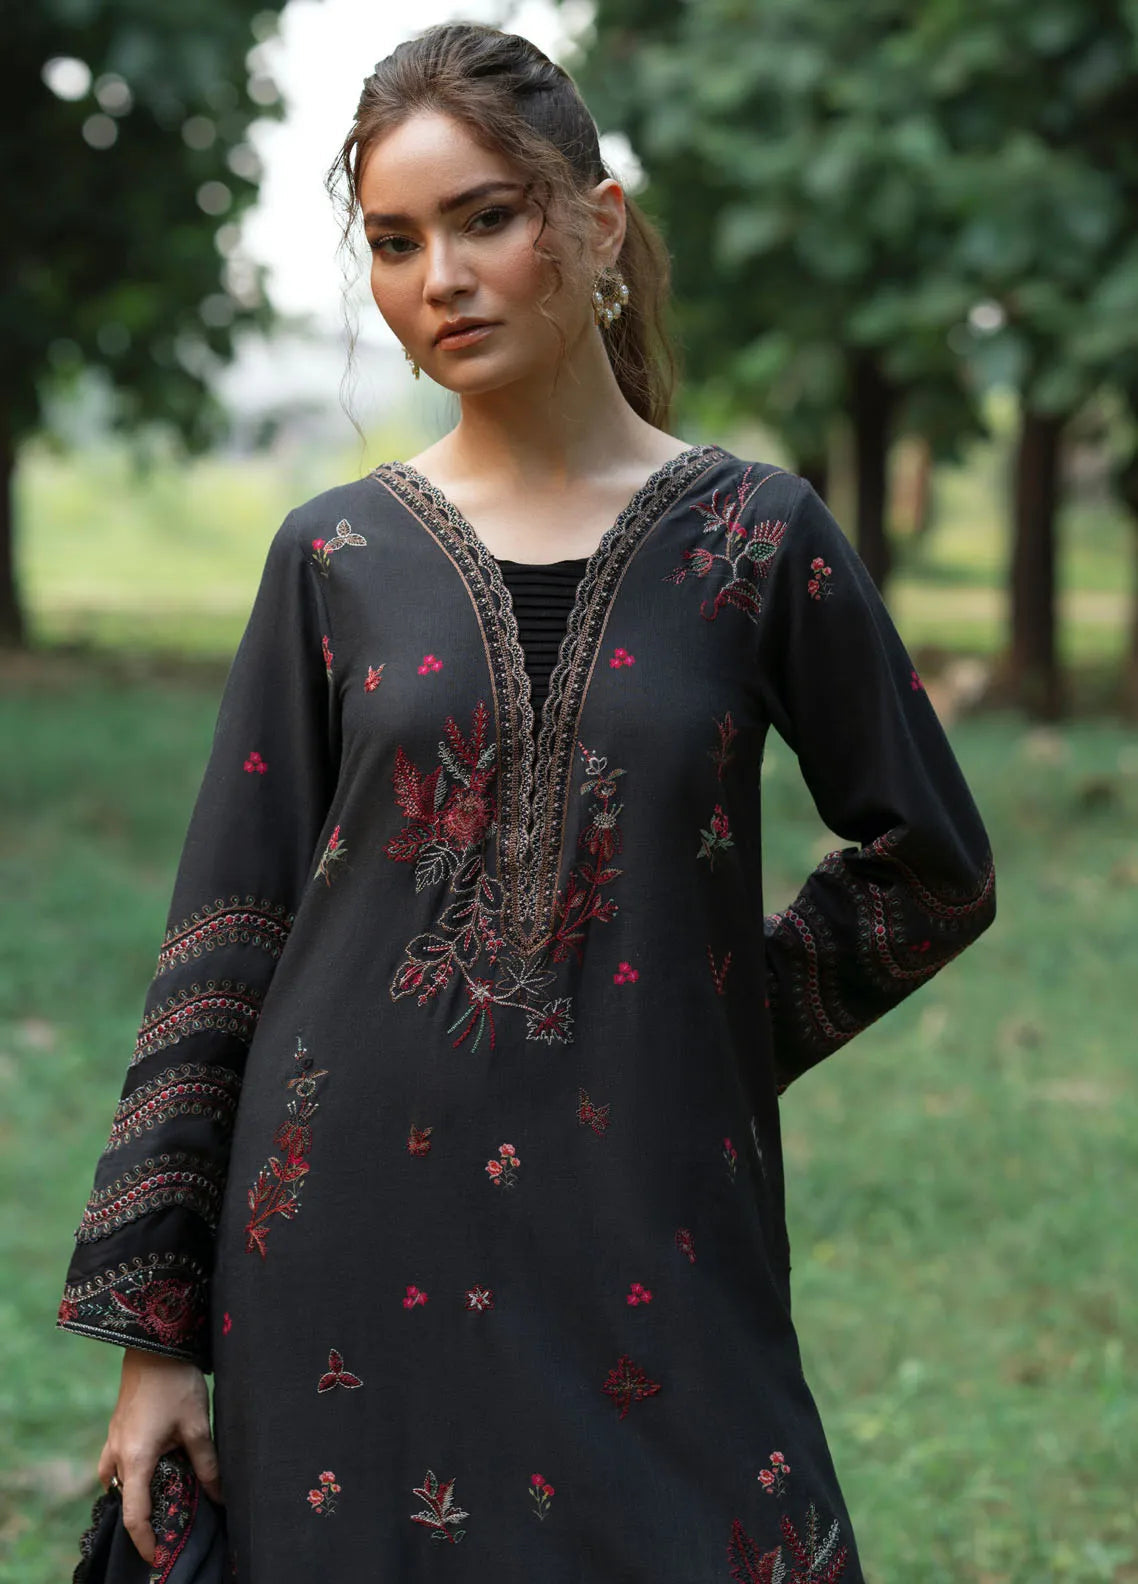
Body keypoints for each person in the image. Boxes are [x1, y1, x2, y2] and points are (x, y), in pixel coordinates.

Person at [56, 21, 997, 1581]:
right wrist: (156, 1342)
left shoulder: (756, 539)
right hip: (338, 1231)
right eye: (394, 242)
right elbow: (227, 933)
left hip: (652, 1222)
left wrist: (693, 1041)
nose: (440, 278)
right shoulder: (335, 557)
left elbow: (933, 867)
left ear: (596, 222)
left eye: (484, 218)